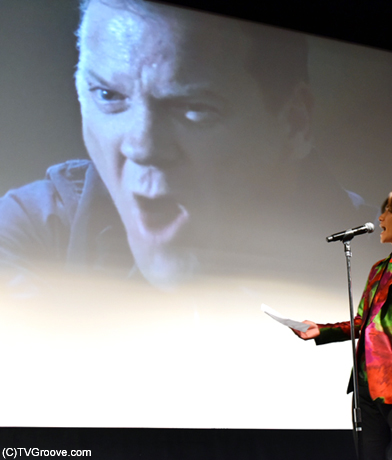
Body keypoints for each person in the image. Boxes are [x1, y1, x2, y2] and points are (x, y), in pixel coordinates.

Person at [0, 0, 362, 295]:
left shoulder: (380, 259)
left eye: (195, 108)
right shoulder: (32, 231)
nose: (143, 146)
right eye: (109, 96)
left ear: (294, 124)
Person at [293, 187, 392, 460]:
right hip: (366, 385)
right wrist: (321, 330)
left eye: (387, 211)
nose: (381, 218)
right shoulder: (379, 269)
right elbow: (363, 321)